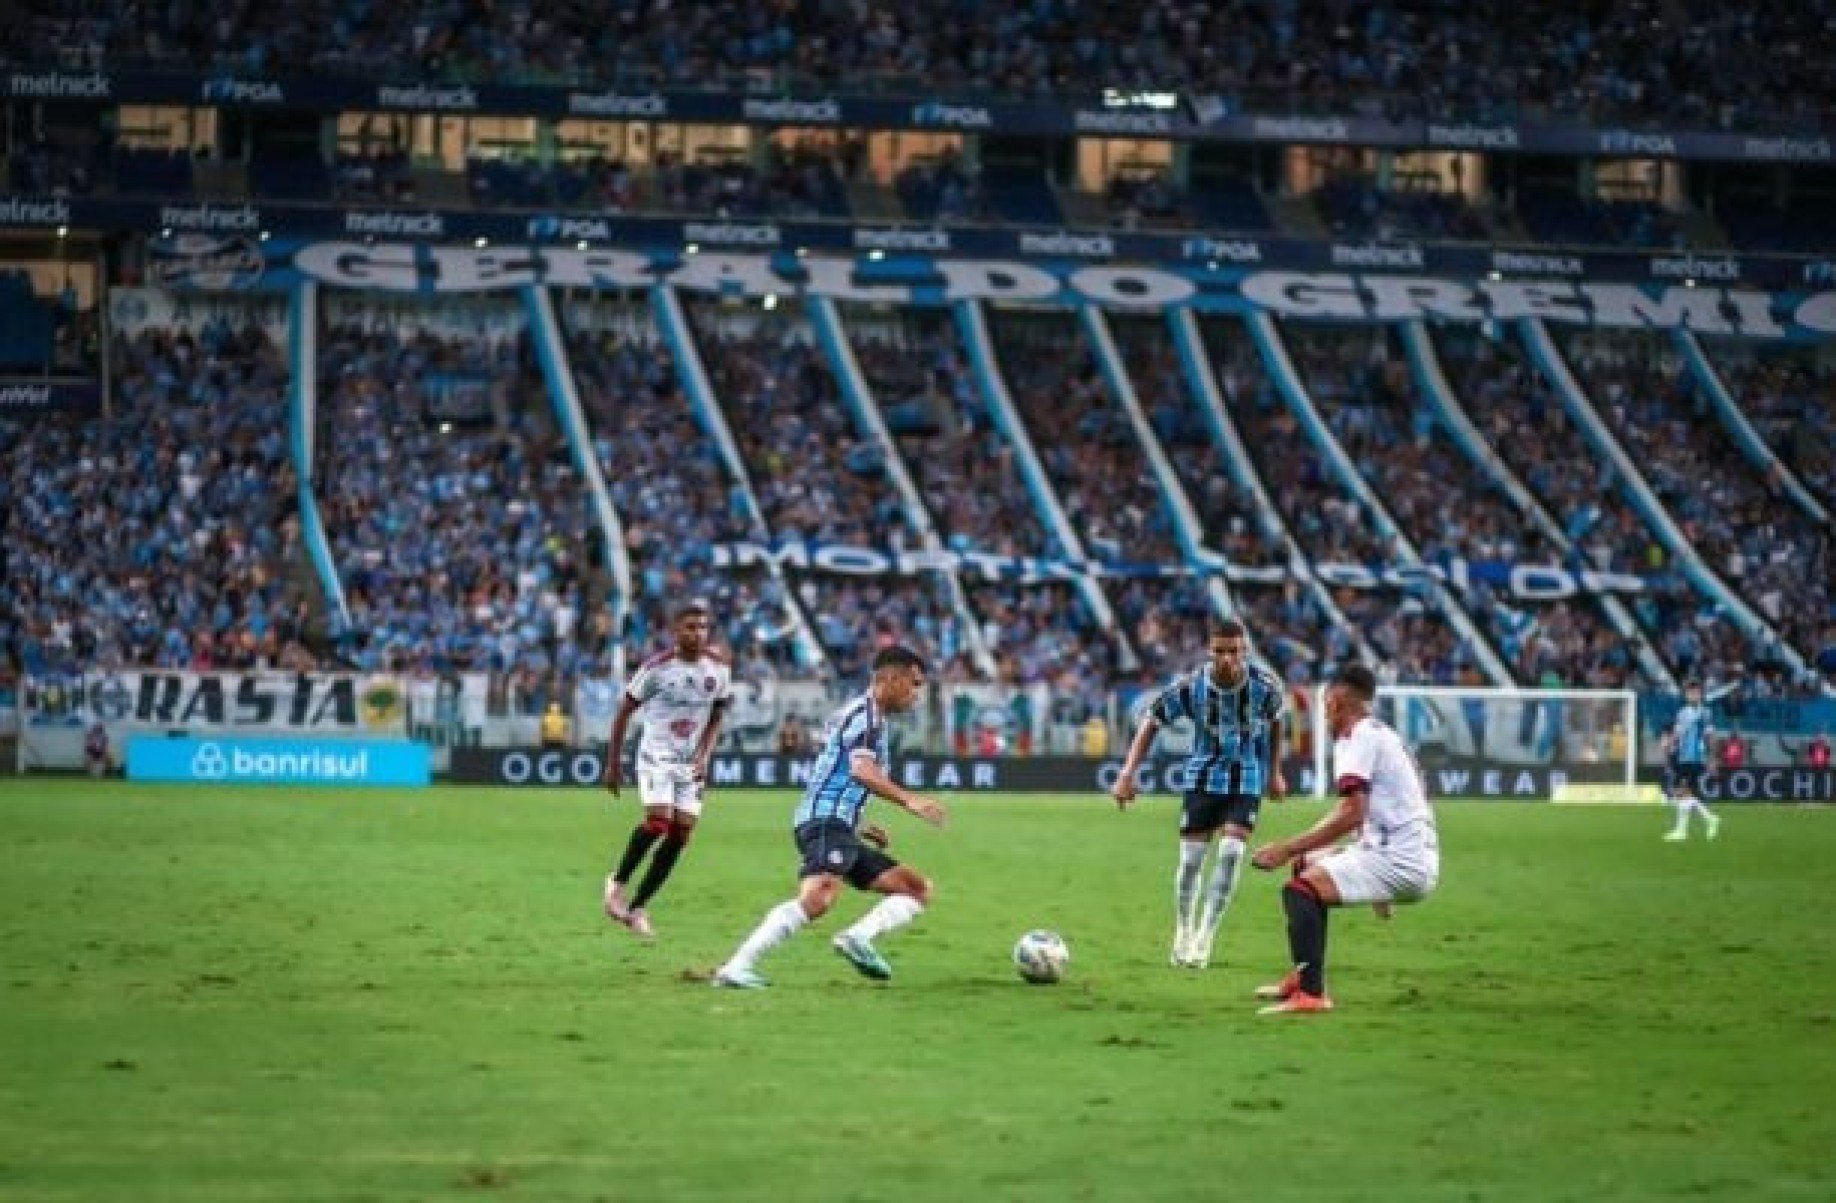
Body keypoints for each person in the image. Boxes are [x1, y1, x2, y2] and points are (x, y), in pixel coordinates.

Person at [713, 646, 947, 988]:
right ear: (890, 678)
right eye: (914, 684)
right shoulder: (865, 717)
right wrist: (910, 801)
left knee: (915, 889)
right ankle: (736, 967)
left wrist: (857, 822)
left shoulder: (867, 717)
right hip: (825, 822)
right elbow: (861, 771)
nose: (916, 693)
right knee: (818, 897)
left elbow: (831, 772)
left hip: (836, 823)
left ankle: (857, 938)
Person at [1249, 662, 1439, 1015]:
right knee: (1306, 864)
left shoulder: (1359, 738)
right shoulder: (1381, 734)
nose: (1323, 713)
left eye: (1325, 704)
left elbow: (1352, 813)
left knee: (1300, 891)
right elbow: (1376, 805)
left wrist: (1285, 848)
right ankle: (1304, 975)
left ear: (1336, 700)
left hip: (1398, 858)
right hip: (1404, 850)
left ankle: (1312, 995)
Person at [1111, 618, 1287, 969]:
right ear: (1209, 651)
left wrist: (1275, 772)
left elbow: (1276, 721)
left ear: (1244, 651)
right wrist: (1127, 773)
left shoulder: (1264, 687)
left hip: (1246, 778)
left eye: (1233, 651)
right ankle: (1183, 929)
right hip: (1202, 779)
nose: (1226, 659)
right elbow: (1152, 721)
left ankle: (1206, 936)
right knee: (1191, 862)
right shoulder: (1191, 687)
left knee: (1231, 852)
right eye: (1220, 651)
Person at [602, 600, 733, 939]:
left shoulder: (719, 669)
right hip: (657, 755)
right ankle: (616, 884)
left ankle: (638, 908)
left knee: (681, 835)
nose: (698, 633)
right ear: (675, 631)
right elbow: (623, 713)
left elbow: (718, 714)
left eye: (703, 627)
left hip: (690, 762)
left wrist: (705, 755)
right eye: (690, 627)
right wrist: (613, 764)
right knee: (658, 823)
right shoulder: (656, 669)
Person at [1662, 682, 1721, 842]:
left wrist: (1712, 758)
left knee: (1682, 792)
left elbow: (1710, 736)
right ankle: (1709, 819)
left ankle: (1682, 831)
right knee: (1684, 794)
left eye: (1696, 692)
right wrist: (1670, 744)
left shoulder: (1705, 713)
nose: (1693, 695)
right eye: (1690, 692)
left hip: (1694, 757)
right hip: (1683, 757)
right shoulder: (1682, 712)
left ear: (1700, 694)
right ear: (1686, 695)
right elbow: (1678, 733)